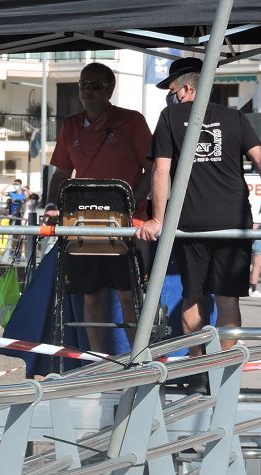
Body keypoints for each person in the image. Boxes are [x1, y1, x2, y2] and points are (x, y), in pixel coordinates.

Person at [136, 56, 261, 388]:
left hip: (190, 223)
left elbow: (160, 171)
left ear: (188, 87)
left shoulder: (170, 117)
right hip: (234, 222)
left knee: (194, 297)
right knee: (227, 300)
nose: (172, 97)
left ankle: (196, 370)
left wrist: (158, 219)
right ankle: (225, 375)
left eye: (174, 90)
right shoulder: (236, 118)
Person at [47, 62, 154, 354]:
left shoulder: (132, 121)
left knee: (128, 295)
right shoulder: (70, 125)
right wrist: (51, 205)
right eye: (83, 84)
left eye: (95, 85)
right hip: (84, 225)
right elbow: (60, 173)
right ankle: (96, 363)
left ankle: (137, 360)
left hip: (126, 225)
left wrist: (133, 202)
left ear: (110, 88)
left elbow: (152, 168)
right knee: (90, 296)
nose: (87, 91)